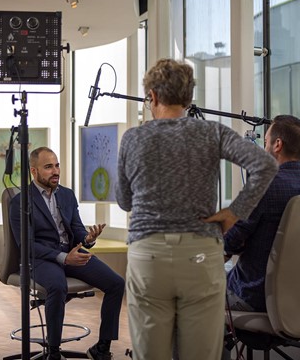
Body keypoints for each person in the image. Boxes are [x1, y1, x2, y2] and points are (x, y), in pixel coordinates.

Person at [116, 58, 278, 360]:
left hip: (148, 255)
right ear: (189, 98)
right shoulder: (211, 132)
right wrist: (234, 211)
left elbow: (124, 201)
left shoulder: (133, 138)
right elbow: (265, 164)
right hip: (200, 255)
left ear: (152, 96)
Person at [9, 146, 125, 360]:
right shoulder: (20, 201)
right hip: (42, 258)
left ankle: (101, 348)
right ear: (34, 172)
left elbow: (77, 229)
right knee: (57, 285)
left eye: (57, 165)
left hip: (71, 252)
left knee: (117, 283)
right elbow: (27, 245)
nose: (55, 171)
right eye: (48, 167)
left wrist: (87, 239)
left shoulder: (67, 195)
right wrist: (63, 257)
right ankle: (53, 353)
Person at [224, 115, 300, 313]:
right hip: (293, 295)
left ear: (277, 144)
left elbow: (231, 242)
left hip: (251, 294)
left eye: (265, 142)